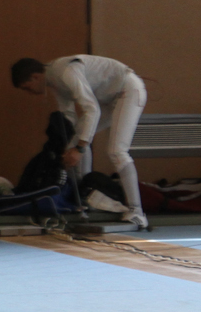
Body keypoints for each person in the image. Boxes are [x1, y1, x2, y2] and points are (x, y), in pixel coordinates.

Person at [11, 55, 151, 229]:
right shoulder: (54, 80)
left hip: (128, 91)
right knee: (75, 140)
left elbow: (92, 109)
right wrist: (71, 146)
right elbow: (69, 115)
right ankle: (84, 197)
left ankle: (137, 212)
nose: (29, 92)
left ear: (35, 77)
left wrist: (79, 148)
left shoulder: (66, 71)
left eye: (27, 87)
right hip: (108, 99)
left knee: (117, 151)